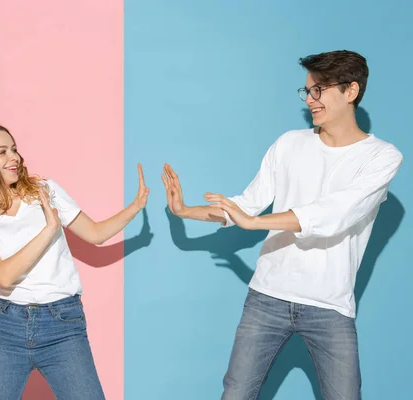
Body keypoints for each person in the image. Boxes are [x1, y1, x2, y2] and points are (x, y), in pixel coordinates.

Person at [162, 50, 403, 399]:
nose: (309, 100)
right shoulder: (289, 143)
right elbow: (245, 205)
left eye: (318, 90)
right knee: (236, 393)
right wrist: (186, 211)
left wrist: (254, 222)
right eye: (306, 91)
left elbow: (333, 214)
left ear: (351, 91)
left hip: (330, 306)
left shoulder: (382, 157)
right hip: (267, 298)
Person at [0, 123, 149, 399]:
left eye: (14, 149)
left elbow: (95, 233)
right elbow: (3, 276)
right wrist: (49, 230)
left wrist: (136, 206)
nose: (15, 158)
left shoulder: (45, 191)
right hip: (7, 329)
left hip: (63, 325)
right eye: (2, 152)